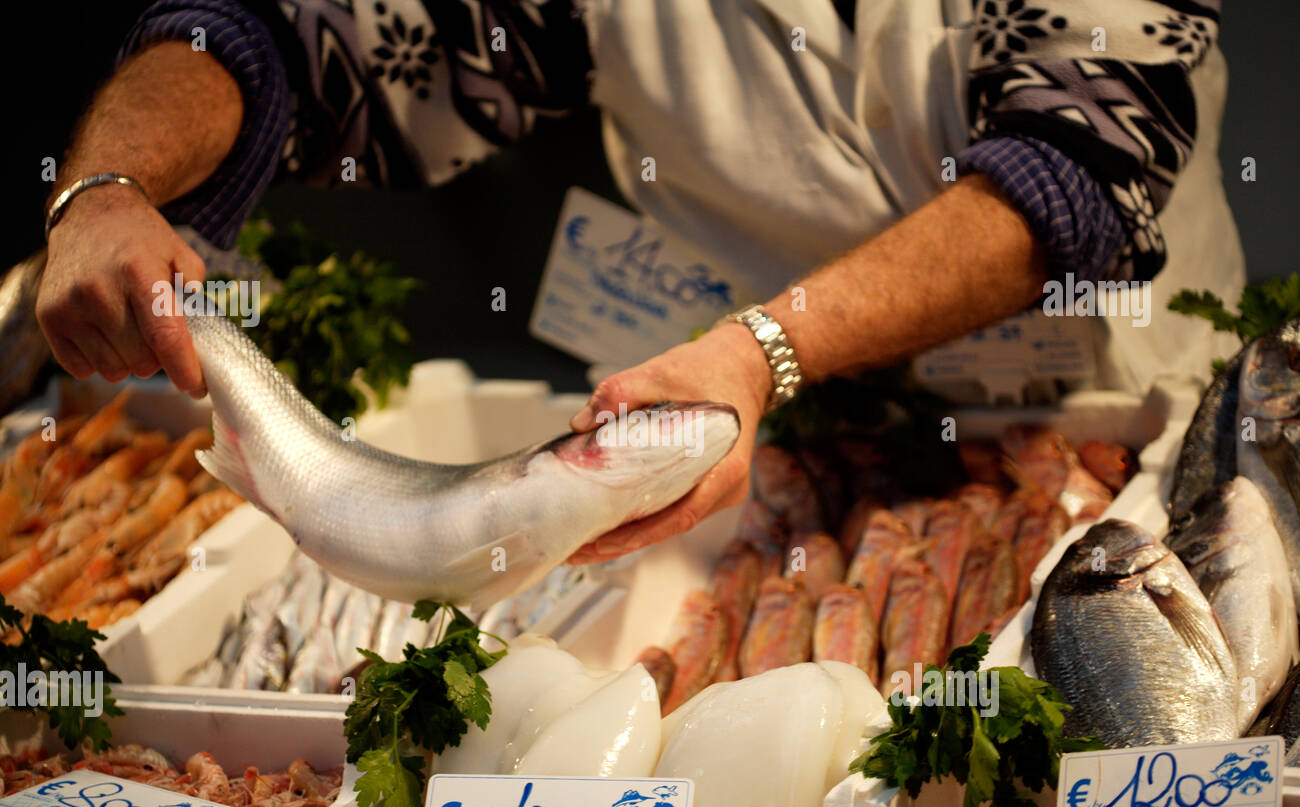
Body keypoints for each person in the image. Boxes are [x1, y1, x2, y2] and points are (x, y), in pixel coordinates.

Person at [35, 0, 1242, 563]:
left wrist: (765, 351)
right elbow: (284, 45)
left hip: (1105, 428)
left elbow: (1071, 173)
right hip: (752, 458)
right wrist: (104, 190)